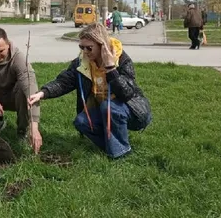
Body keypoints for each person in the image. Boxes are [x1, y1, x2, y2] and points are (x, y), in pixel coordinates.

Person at [28, 22, 151, 159]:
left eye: (89, 48)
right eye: (81, 47)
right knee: (82, 122)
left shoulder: (121, 59)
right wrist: (43, 93)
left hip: (133, 111)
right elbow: (65, 81)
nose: (85, 51)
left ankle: (121, 153)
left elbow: (127, 93)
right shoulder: (82, 62)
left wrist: (111, 69)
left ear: (101, 45)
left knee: (108, 108)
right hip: (104, 111)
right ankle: (112, 147)